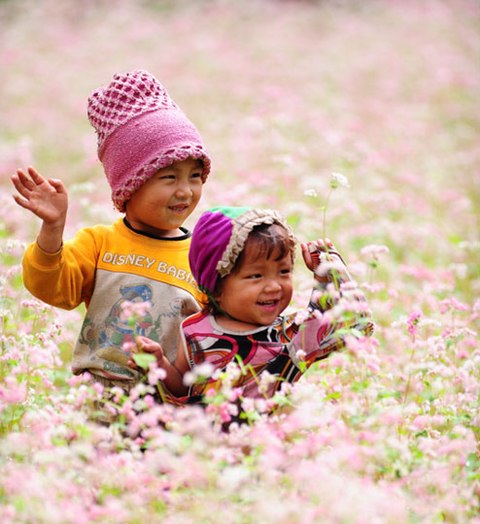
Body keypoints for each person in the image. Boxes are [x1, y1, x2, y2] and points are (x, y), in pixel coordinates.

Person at [11, 69, 211, 393]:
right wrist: (52, 228)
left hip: (171, 409)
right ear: (129, 185)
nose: (186, 191)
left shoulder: (203, 257)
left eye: (195, 176)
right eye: (170, 177)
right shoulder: (100, 244)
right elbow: (51, 288)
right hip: (98, 400)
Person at [130, 206, 373, 404]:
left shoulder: (292, 333)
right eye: (256, 276)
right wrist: (160, 364)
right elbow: (183, 384)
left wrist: (328, 270)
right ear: (216, 284)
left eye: (284, 271)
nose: (274, 286)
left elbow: (356, 324)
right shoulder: (195, 330)